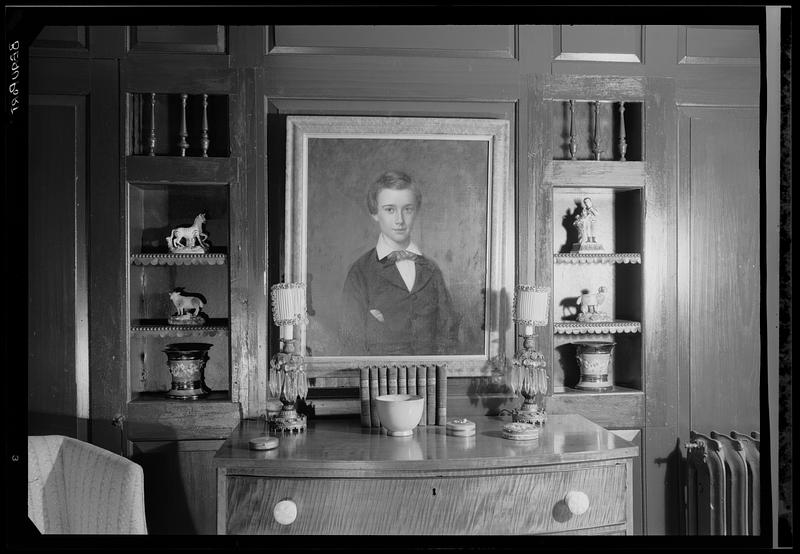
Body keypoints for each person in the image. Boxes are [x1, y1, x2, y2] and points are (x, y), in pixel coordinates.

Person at [339, 171, 458, 356]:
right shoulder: (360, 272)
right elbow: (351, 344)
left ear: (416, 211)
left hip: (431, 379)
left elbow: (448, 332)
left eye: (407, 209)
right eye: (390, 209)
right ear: (374, 213)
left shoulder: (432, 270)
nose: (400, 220)